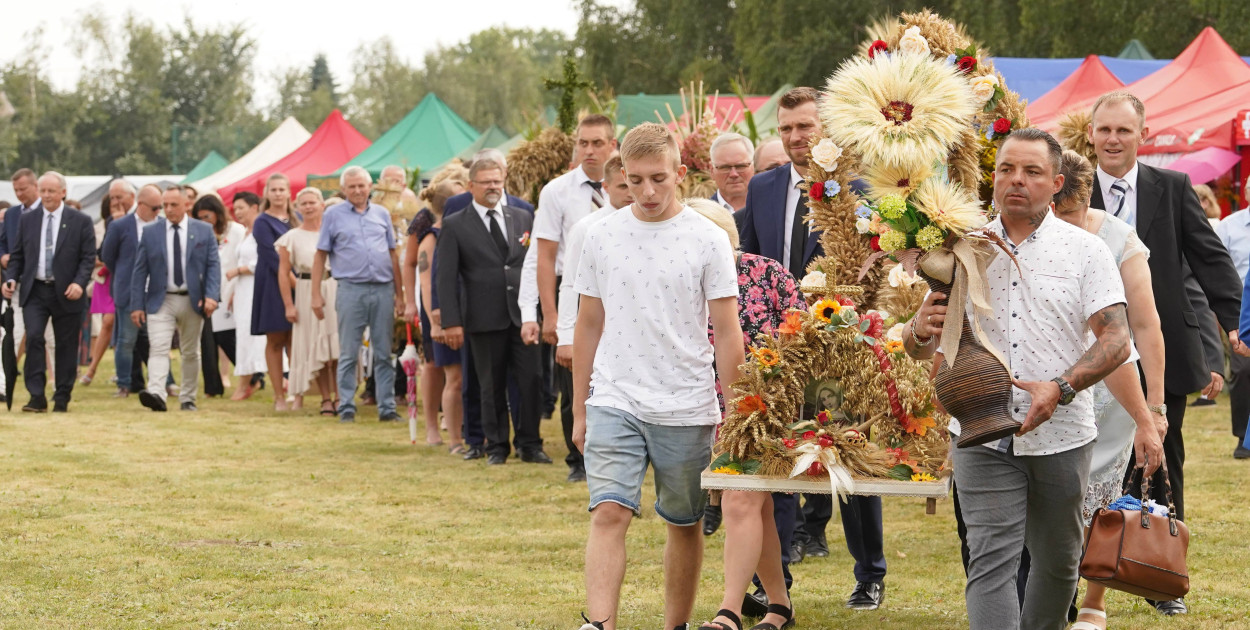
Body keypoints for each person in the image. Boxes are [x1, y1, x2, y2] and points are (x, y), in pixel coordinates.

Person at [906, 128, 1131, 630]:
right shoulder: (961, 249)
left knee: (1057, 564)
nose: (1016, 180)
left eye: (1031, 172)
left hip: (1063, 435)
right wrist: (919, 327)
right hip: (979, 433)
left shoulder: (1085, 251)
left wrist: (1062, 387)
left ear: (1056, 183)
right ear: (994, 177)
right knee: (989, 561)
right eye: (1007, 169)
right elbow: (921, 344)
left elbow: (1116, 339)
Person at [571, 123, 744, 630]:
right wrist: (581, 405)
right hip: (615, 396)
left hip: (686, 402)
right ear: (622, 175)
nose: (648, 192)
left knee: (684, 522)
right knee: (608, 512)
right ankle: (599, 623)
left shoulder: (708, 239)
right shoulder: (600, 233)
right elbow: (588, 322)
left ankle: (676, 626)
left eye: (659, 179)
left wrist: (736, 411)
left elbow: (728, 333)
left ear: (681, 175)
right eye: (638, 180)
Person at [1087, 94, 1242, 616]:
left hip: (1163, 350)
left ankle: (1159, 575)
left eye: (1123, 131)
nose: (1112, 139)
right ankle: (1079, 574)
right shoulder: (1066, 187)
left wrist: (1234, 322)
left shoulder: (1172, 189)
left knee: (1159, 456)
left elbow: (1209, 258)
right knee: (1088, 464)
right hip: (1088, 353)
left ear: (1143, 135)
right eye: (1104, 129)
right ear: (1090, 135)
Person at [1053, 150, 1168, 630]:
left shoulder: (1119, 240)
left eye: (1073, 213)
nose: (1066, 223)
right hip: (1053, 387)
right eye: (1058, 214)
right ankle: (1054, 588)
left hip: (1112, 394)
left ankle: (1094, 600)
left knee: (1101, 498)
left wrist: (1155, 406)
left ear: (1085, 199)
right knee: (1059, 500)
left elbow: (1145, 324)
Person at [688, 198, 803, 630]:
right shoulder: (680, 280)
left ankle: (729, 611)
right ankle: (779, 605)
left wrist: (770, 398)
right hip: (699, 407)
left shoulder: (768, 273)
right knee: (757, 507)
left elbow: (802, 338)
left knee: (741, 500)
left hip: (764, 409)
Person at [436, 158, 549, 466]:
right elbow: (445, 277)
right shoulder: (456, 223)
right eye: (485, 182)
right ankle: (497, 446)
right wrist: (450, 321)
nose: (492, 187)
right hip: (482, 317)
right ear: (471, 185)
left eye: (497, 181)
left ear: (504, 181)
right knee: (490, 385)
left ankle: (530, 443)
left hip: (524, 314)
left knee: (531, 380)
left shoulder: (524, 215)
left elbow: (534, 262)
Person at [534, 114, 618, 479]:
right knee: (574, 380)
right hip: (574, 292)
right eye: (582, 143)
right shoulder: (557, 191)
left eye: (597, 143)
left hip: (620, 294)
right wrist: (552, 317)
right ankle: (577, 458)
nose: (588, 150)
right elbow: (547, 257)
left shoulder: (635, 187)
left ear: (612, 145)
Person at [311, 166, 402, 424]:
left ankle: (387, 407)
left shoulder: (383, 214)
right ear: (343, 189)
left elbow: (393, 254)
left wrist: (400, 294)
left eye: (362, 185)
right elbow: (320, 255)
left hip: (383, 289)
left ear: (370, 186)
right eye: (352, 187)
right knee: (349, 351)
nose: (358, 190)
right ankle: (347, 407)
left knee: (384, 352)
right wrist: (315, 294)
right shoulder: (333, 215)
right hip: (351, 289)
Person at [2, 171, 96, 413]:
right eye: (43, 191)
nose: (46, 196)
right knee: (33, 337)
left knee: (65, 344)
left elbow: (87, 259)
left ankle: (62, 395)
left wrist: (79, 283)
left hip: (67, 291)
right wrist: (11, 277)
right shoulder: (28, 220)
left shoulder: (81, 221)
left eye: (51, 191)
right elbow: (18, 255)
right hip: (35, 291)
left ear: (63, 192)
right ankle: (36, 396)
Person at [130, 185, 220, 412]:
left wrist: (211, 295)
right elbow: (140, 270)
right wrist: (137, 304)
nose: (168, 210)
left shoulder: (203, 231)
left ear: (186, 205)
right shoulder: (151, 232)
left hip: (193, 299)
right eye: (165, 205)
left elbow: (213, 266)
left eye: (173, 205)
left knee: (190, 351)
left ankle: (188, 398)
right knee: (158, 347)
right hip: (161, 299)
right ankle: (157, 393)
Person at [403, 177, 466, 450]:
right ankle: (434, 426)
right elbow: (426, 281)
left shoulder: (464, 230)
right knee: (437, 367)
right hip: (438, 312)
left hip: (463, 309)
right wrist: (433, 322)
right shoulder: (432, 236)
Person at [277, 188, 339, 416]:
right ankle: (325, 399)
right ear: (297, 207)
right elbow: (283, 273)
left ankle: (341, 396)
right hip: (305, 290)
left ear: (322, 205)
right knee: (315, 345)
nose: (309, 207)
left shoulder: (334, 232)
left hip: (334, 287)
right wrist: (289, 305)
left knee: (338, 345)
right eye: (304, 204)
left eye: (313, 202)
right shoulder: (290, 238)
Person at [253, 173, 297, 411]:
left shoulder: (296, 218)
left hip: (297, 281)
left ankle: (296, 392)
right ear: (267, 194)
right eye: (274, 190)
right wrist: (297, 285)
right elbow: (273, 258)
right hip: (272, 285)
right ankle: (279, 395)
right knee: (276, 339)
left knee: (295, 339)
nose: (278, 193)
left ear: (289, 192)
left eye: (282, 189)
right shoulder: (262, 222)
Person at [192, 194, 242, 397]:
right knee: (207, 341)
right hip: (208, 292)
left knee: (227, 337)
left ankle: (253, 377)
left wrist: (237, 289)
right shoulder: (199, 234)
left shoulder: (236, 231)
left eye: (207, 216)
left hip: (232, 290)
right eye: (200, 217)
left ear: (217, 213)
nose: (204, 221)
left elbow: (241, 259)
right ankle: (212, 387)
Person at [1216, 178, 1250, 459]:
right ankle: (1243, 436)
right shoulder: (1229, 226)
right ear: (1247, 192)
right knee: (1241, 371)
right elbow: (1216, 269)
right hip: (1242, 312)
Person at [81, 191, 125, 385]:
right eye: (112, 202)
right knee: (108, 323)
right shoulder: (99, 228)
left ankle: (120, 370)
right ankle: (92, 368)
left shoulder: (132, 222)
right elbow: (97, 255)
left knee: (120, 324)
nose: (116, 204)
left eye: (119, 201)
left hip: (122, 278)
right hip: (105, 279)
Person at [228, 191, 269, 399]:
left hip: (258, 287)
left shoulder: (261, 231)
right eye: (235, 209)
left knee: (256, 337)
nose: (237, 213)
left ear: (254, 207)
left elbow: (265, 259)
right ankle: (246, 381)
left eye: (241, 208)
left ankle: (245, 383)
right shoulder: (245, 232)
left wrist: (239, 270)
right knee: (243, 335)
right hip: (243, 290)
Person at [709, 133, 755, 212]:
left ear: (753, 168)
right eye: (725, 167)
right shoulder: (702, 215)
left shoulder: (770, 207)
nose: (734, 174)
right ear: (712, 171)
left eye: (740, 166)